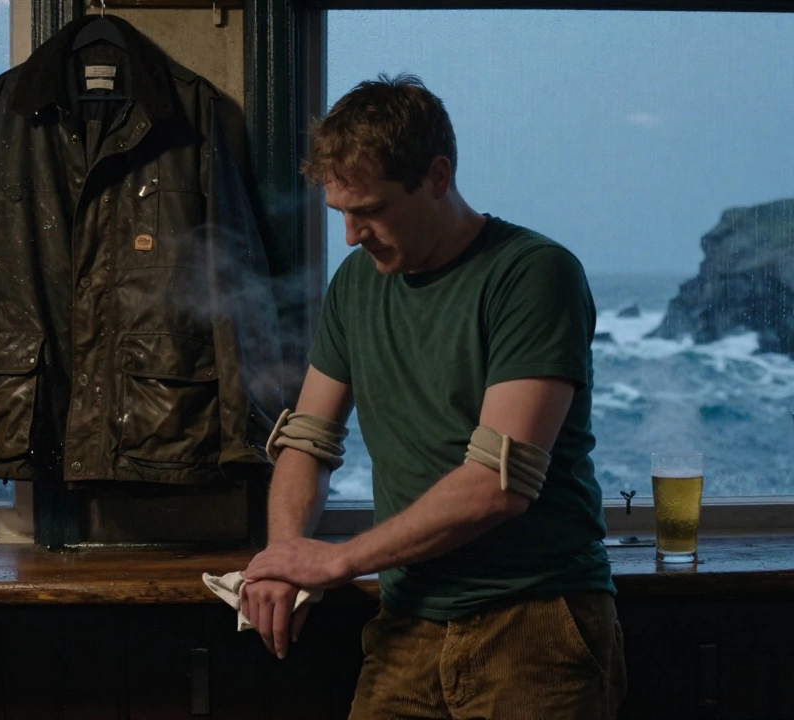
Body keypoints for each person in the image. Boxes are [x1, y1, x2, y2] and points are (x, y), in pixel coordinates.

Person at [241, 73, 626, 720]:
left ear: (438, 176)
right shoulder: (356, 285)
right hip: (408, 624)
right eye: (341, 213)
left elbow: (500, 482)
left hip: (533, 623)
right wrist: (284, 558)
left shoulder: (532, 274)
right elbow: (308, 441)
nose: (352, 236)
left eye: (371, 210)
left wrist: (335, 561)